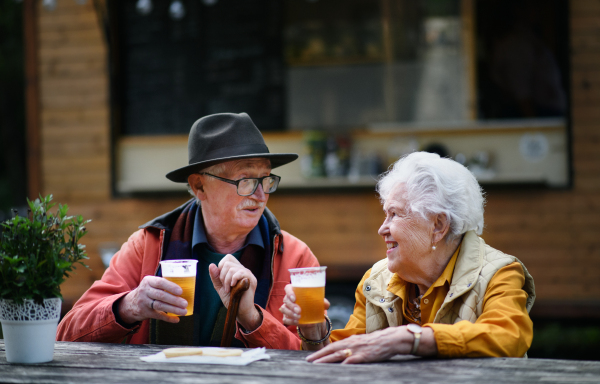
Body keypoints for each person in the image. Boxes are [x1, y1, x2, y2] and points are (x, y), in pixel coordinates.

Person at [57, 112, 319, 349]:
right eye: (247, 180)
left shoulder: (294, 257)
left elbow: (311, 357)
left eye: (266, 180)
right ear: (199, 187)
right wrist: (129, 305)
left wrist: (252, 318)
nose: (261, 195)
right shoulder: (148, 245)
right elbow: (66, 333)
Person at [280, 152, 535, 362]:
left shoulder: (498, 272)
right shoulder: (376, 280)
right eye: (385, 215)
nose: (382, 229)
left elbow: (509, 335)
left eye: (395, 215)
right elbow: (345, 353)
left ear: (438, 226)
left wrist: (410, 339)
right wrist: (313, 329)